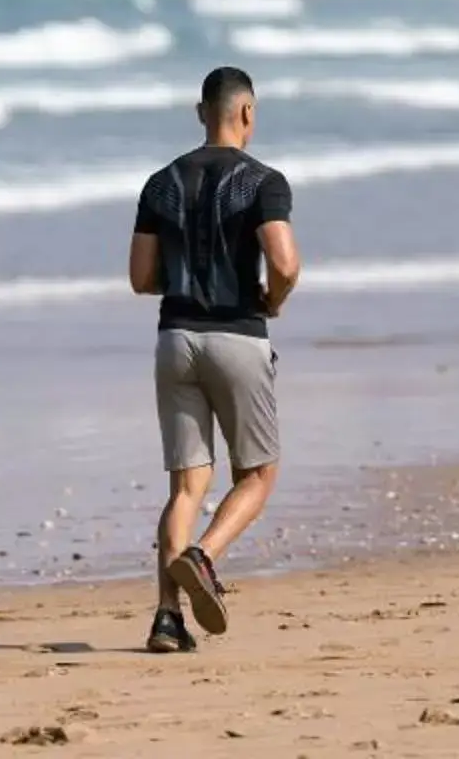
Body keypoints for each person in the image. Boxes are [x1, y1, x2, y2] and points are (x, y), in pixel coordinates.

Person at [128, 65, 300, 653]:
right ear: (247, 113)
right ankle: (202, 557)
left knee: (185, 489)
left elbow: (140, 277)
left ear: (201, 112)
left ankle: (166, 620)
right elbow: (284, 264)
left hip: (174, 338)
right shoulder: (264, 182)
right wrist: (271, 302)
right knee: (257, 474)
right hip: (237, 337)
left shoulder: (160, 182)